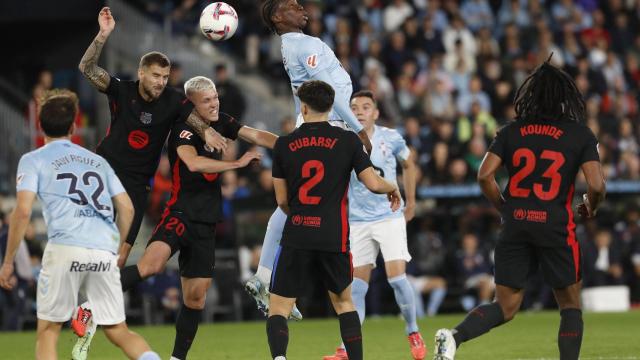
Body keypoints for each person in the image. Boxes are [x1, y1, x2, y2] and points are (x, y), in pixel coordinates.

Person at [77, 76, 278, 360]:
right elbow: (194, 163)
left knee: (195, 298)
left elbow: (256, 135)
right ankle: (90, 304)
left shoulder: (223, 121)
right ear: (192, 105)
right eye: (207, 100)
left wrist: (291, 145)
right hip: (180, 212)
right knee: (151, 265)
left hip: (207, 221)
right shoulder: (183, 129)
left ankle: (176, 358)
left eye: (216, 98)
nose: (214, 103)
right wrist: (235, 163)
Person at [433, 59, 606, 360]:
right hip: (555, 224)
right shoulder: (580, 134)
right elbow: (597, 185)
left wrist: (504, 207)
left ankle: (455, 337)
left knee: (506, 306)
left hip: (515, 222)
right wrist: (590, 206)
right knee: (570, 306)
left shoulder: (511, 131)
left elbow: (484, 175)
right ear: (564, 96)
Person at [0, 90, 161, 360]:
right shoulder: (98, 162)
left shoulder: (33, 159)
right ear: (74, 125)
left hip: (65, 247)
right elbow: (127, 207)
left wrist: (7, 262)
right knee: (120, 332)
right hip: (102, 253)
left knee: (48, 332)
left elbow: (23, 210)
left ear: (40, 125)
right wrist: (117, 247)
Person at [244, 0, 373, 321]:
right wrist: (359, 129)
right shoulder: (304, 45)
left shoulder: (292, 45)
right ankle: (276, 279)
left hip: (316, 127)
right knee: (318, 207)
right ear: (277, 17)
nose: (302, 8)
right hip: (326, 129)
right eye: (292, 6)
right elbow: (326, 92)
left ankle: (268, 277)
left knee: (303, 207)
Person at [77, 7, 227, 270]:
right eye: (156, 75)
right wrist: (103, 35)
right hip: (105, 171)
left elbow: (195, 118)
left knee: (120, 257)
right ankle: (80, 300)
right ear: (142, 72)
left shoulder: (173, 100)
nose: (161, 82)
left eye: (165, 77)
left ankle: (90, 309)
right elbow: (86, 68)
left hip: (137, 183)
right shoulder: (122, 90)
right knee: (90, 244)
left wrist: (208, 132)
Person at [267, 80, 401, 360]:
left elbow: (281, 201)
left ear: (303, 107)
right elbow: (373, 183)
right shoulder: (348, 140)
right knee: (344, 303)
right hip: (333, 234)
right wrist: (393, 187)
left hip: (298, 233)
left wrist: (303, 216)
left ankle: (279, 358)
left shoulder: (284, 144)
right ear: (331, 107)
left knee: (278, 308)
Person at [323, 90, 424, 360]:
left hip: (388, 217)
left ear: (376, 113)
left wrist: (411, 202)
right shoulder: (345, 140)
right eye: (354, 106)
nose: (359, 111)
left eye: (366, 107)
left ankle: (413, 331)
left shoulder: (390, 138)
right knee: (356, 287)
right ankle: (346, 348)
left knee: (397, 278)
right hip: (357, 221)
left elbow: (409, 164)